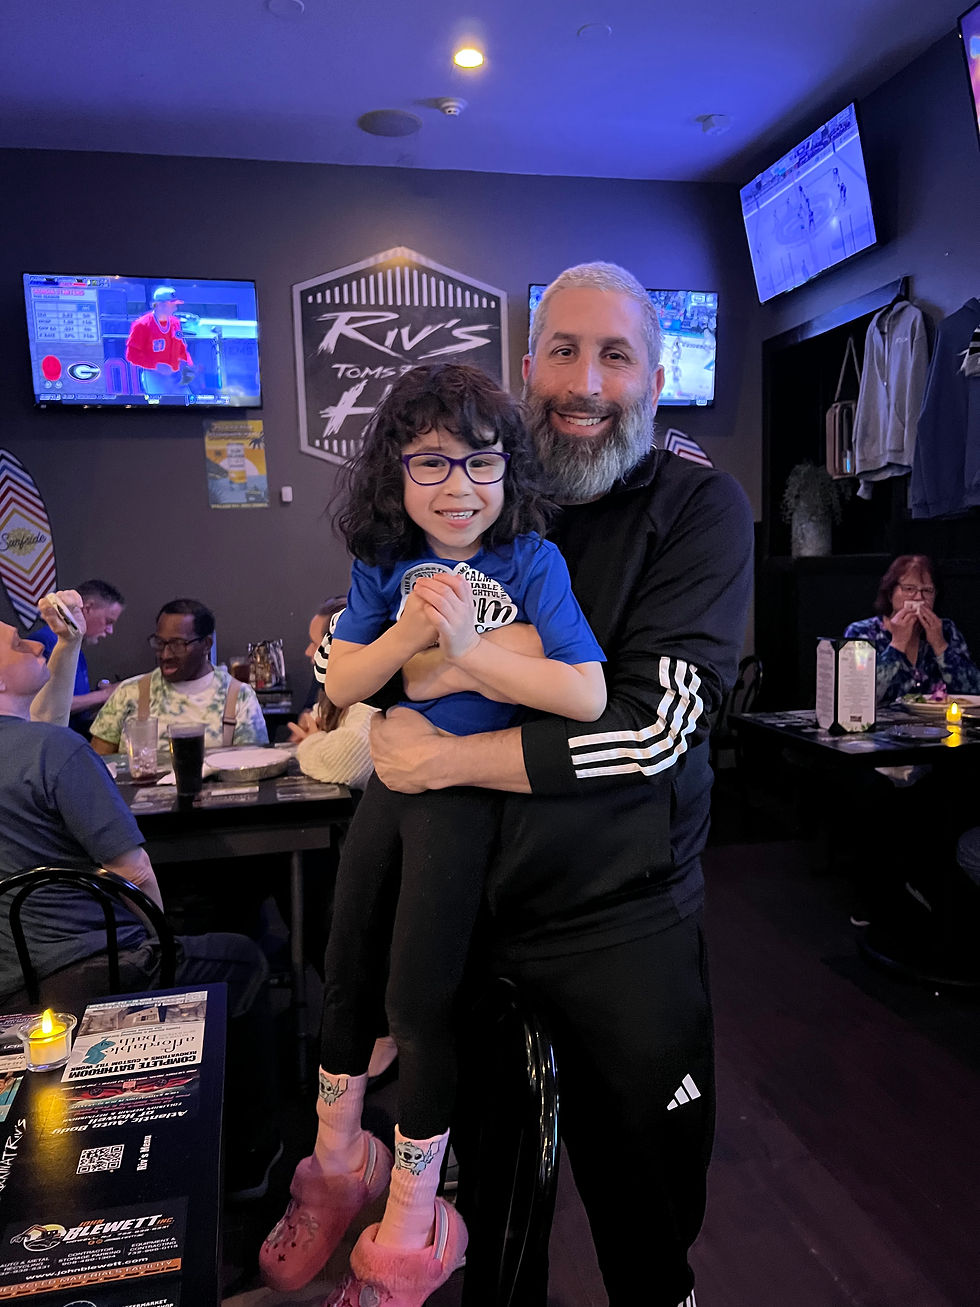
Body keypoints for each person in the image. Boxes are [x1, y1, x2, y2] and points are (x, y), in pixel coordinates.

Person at [365, 264, 754, 1307]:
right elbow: (387, 664)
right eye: (564, 351)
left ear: (654, 378)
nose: (584, 382)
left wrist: (445, 752)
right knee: (490, 1224)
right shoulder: (472, 497)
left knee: (646, 1222)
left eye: (614, 355)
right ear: (524, 365)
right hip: (472, 928)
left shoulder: (697, 507)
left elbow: (657, 733)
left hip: (622, 934)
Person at [260, 362, 606, 1303]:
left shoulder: (531, 559)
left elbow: (586, 691)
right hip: (391, 791)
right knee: (344, 966)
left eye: (482, 464)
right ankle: (338, 1168)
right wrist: (416, 643)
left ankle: (416, 1224)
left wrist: (464, 658)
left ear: (511, 472)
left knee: (419, 999)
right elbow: (342, 686)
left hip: (466, 800)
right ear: (396, 474)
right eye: (432, 464)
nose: (460, 488)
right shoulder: (383, 563)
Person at [0, 614, 281, 1201]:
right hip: (87, 975)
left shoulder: (41, 743)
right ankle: (249, 1160)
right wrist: (158, 943)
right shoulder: (55, 750)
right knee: (247, 960)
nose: (34, 642)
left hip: (9, 987)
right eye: (15, 641)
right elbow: (134, 873)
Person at [89, 598, 268, 754]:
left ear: (206, 644)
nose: (165, 655)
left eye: (178, 644)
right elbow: (96, 766)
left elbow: (251, 770)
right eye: (160, 643)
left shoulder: (239, 697)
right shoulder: (128, 693)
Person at [844, 554, 980, 704]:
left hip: (937, 724)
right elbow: (857, 696)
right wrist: (897, 644)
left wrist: (940, 645)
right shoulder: (863, 632)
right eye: (909, 589)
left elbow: (973, 692)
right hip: (881, 725)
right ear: (890, 594)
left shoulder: (947, 630)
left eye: (927, 591)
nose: (918, 598)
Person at [288, 597, 378, 789]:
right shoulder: (335, 694)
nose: (308, 651)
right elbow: (311, 723)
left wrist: (312, 742)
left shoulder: (372, 699)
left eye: (315, 643)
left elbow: (346, 763)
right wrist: (315, 738)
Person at [31, 578, 125, 732]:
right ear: (87, 608)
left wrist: (102, 694)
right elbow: (43, 707)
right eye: (108, 621)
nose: (110, 630)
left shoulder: (76, 649)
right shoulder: (45, 643)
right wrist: (105, 695)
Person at [125, 286, 196, 398]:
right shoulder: (142, 325)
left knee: (188, 404)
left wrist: (188, 365)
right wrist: (156, 366)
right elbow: (132, 355)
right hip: (153, 374)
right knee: (160, 406)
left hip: (176, 375)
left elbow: (182, 348)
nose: (175, 308)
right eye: (172, 304)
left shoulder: (175, 322)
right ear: (161, 305)